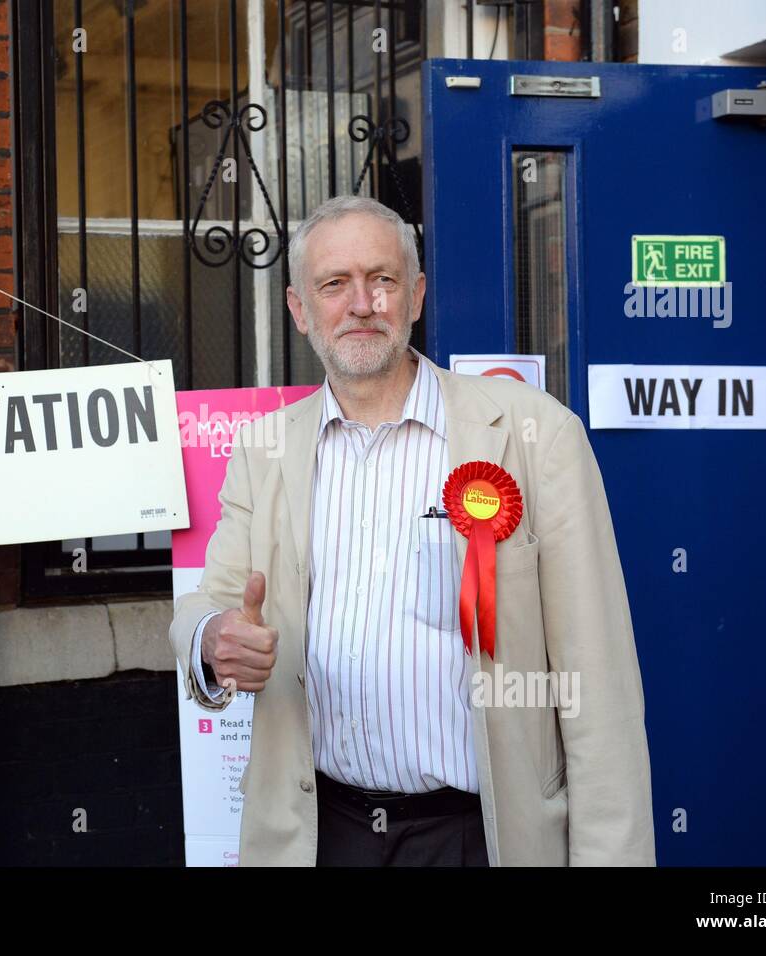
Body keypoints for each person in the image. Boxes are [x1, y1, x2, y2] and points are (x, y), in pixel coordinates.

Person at [169, 195, 654, 866]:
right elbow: (207, 601)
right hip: (319, 835)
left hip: (478, 837)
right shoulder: (264, 452)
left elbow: (597, 684)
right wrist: (212, 636)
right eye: (334, 284)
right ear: (300, 309)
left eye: (383, 279)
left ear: (417, 295)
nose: (361, 303)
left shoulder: (533, 436)